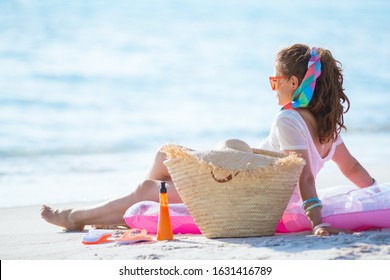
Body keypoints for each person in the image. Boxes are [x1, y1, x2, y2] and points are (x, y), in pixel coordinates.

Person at [41, 43, 375, 236]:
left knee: (149, 189)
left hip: (249, 193)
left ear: (292, 82)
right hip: (248, 180)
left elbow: (301, 175)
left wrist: (317, 222)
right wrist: (376, 193)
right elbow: (354, 168)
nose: (272, 88)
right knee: (164, 155)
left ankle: (78, 217)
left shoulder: (288, 119)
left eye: (275, 81)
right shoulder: (329, 127)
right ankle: (124, 212)